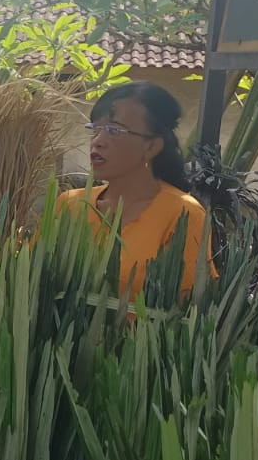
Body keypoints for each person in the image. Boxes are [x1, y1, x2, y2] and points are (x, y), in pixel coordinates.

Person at [56, 82, 212, 298]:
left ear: (152, 146)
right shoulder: (70, 204)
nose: (98, 142)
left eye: (114, 130)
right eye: (95, 129)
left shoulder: (184, 214)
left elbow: (189, 304)